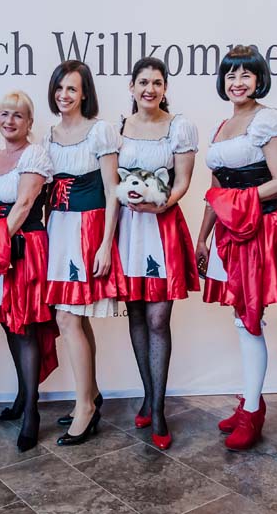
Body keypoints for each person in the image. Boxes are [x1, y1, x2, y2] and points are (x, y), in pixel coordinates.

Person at [196, 45, 277, 451]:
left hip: (260, 227)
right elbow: (216, 189)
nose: (237, 82)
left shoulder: (267, 120)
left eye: (246, 74)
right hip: (229, 230)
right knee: (241, 317)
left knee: (250, 318)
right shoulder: (223, 125)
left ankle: (252, 411)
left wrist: (239, 200)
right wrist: (202, 237)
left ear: (259, 80)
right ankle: (249, 402)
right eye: (231, 75)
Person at [116, 57, 199, 450]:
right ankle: (148, 397)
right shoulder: (118, 129)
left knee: (158, 318)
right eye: (143, 82)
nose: (149, 89)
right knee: (135, 313)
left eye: (157, 82)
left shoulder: (178, 127)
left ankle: (160, 408)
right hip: (129, 229)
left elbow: (183, 180)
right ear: (131, 87)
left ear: (165, 88)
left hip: (162, 226)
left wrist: (161, 203)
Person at [44, 60, 125, 446]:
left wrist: (106, 244)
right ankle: (89, 396)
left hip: (87, 229)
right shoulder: (48, 135)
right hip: (58, 229)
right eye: (60, 88)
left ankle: (85, 407)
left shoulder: (100, 131)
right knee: (75, 317)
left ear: (85, 93)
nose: (64, 95)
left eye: (72, 89)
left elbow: (112, 191)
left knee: (68, 317)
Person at [0, 90, 59, 452]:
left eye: (18, 115)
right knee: (9, 323)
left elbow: (24, 203)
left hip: (24, 245)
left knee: (24, 326)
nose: (9, 121)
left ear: (29, 122)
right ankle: (23, 394)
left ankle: (31, 411)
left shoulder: (35, 155)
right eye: (5, 114)